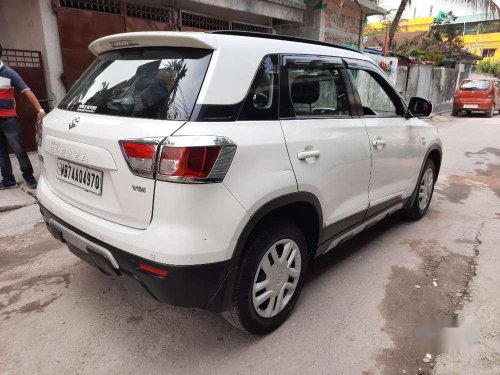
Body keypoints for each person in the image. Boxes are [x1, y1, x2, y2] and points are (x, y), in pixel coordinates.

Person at [0, 42, 45, 189]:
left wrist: (40, 110)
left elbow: (27, 91)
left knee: (19, 149)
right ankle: (8, 179)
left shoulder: (8, 73)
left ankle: (29, 177)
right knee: (1, 152)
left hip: (9, 119)